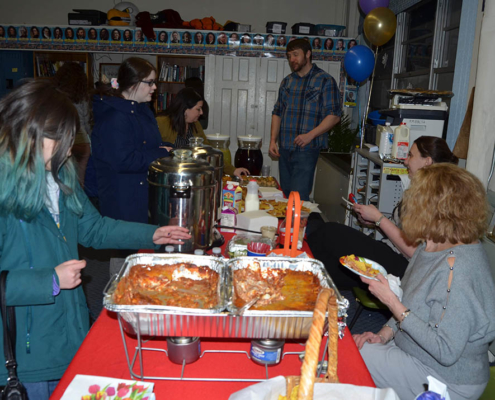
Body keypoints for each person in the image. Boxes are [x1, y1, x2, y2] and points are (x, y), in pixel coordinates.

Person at [0, 79, 191, 400]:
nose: (65, 148)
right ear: (26, 133)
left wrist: (152, 233)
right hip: (26, 353)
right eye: (56, 138)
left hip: (70, 331)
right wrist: (50, 280)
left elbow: (95, 229)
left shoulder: (59, 176)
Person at [353, 163, 495, 400]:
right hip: (416, 354)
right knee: (358, 347)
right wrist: (384, 335)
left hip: (448, 379)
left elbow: (445, 351)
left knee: (352, 357)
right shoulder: (431, 245)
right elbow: (413, 306)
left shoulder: (457, 270)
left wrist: (390, 301)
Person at [308, 136, 459, 289]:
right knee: (321, 245)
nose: (406, 161)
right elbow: (403, 231)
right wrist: (374, 222)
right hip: (392, 251)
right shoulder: (420, 190)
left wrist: (379, 219)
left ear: (427, 161)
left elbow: (417, 252)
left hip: (406, 266)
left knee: (329, 232)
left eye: (411, 155)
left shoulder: (436, 198)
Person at [85, 57, 170, 223]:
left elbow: (149, 145)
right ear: (133, 84)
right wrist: (161, 153)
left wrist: (170, 149)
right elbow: (124, 161)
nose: (155, 87)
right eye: (150, 82)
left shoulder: (142, 110)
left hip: (142, 195)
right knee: (131, 248)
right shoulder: (114, 117)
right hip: (124, 201)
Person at [270, 39, 341, 201]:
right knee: (287, 196)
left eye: (295, 55)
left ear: (308, 54)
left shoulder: (325, 81)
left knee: (299, 198)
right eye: (289, 56)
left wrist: (310, 135)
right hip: (284, 148)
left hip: (307, 150)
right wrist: (273, 140)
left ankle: (301, 226)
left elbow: (334, 116)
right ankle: (289, 226)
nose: (292, 59)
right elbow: (277, 112)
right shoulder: (287, 82)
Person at [156, 88, 248, 178]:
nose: (201, 112)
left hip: (192, 177)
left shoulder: (196, 125)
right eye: (198, 109)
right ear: (185, 109)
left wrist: (233, 170)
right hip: (168, 176)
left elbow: (209, 153)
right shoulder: (161, 123)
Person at [54, 63, 92, 188]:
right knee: (80, 178)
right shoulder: (82, 96)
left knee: (62, 172)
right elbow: (86, 122)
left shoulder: (56, 95)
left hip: (63, 136)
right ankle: (77, 199)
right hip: (81, 138)